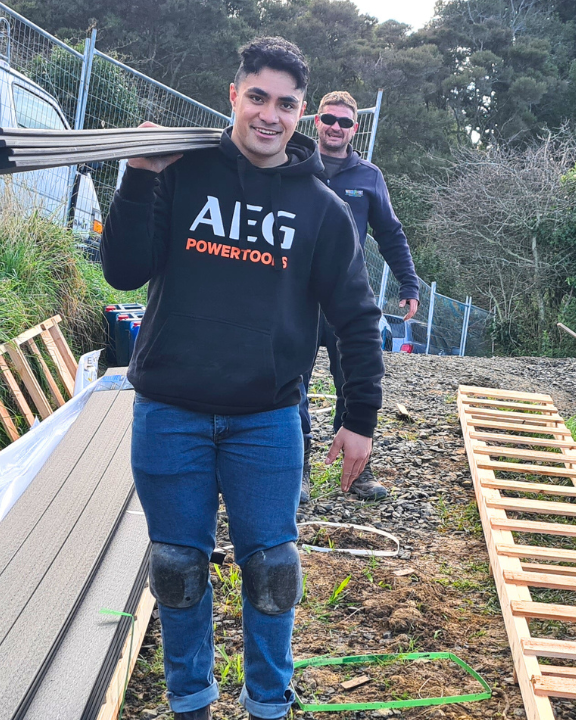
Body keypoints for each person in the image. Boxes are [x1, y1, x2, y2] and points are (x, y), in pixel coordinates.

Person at [101, 38, 384, 720]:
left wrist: (360, 418)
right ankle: (190, 702)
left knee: (274, 573)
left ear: (304, 115)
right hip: (171, 411)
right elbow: (122, 271)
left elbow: (357, 318)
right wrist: (138, 173)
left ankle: (267, 704)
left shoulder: (322, 209)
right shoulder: (179, 174)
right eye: (256, 96)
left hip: (266, 419)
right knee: (177, 569)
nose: (269, 115)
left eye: (286, 104)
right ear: (234, 95)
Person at [299, 90, 419, 504]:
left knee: (353, 382)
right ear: (315, 120)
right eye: (329, 119)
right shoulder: (294, 164)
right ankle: (297, 472)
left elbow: (390, 234)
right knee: (287, 385)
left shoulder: (369, 176)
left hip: (345, 302)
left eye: (345, 122)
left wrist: (409, 284)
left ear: (354, 127)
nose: (336, 127)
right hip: (293, 297)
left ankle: (358, 470)